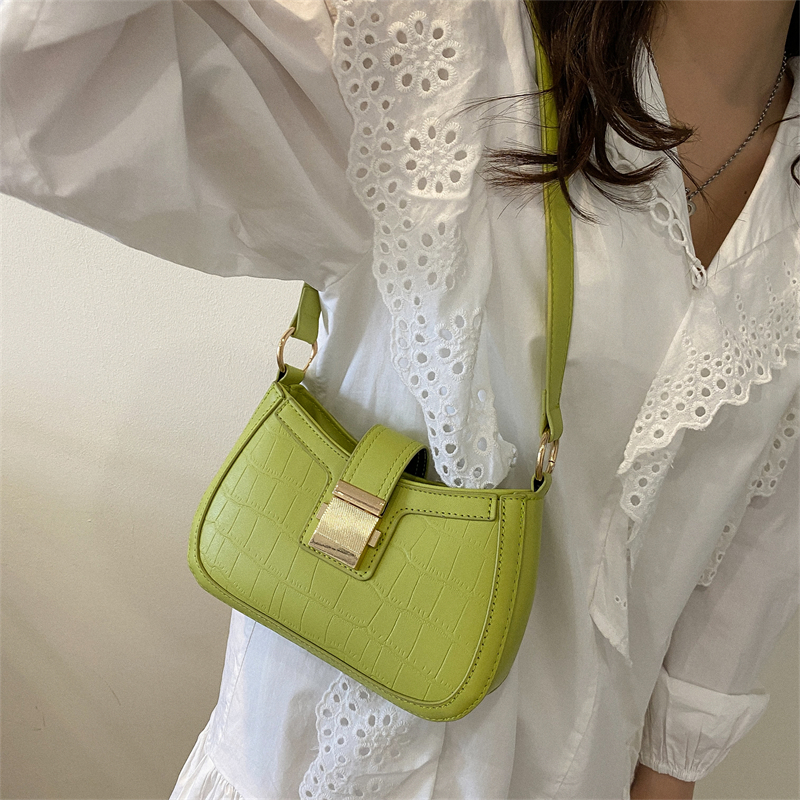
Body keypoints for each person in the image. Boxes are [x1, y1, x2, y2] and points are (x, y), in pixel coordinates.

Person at [1, 1, 798, 798]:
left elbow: (753, 550)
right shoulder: (443, 46)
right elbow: (32, 77)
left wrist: (669, 776)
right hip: (316, 771)